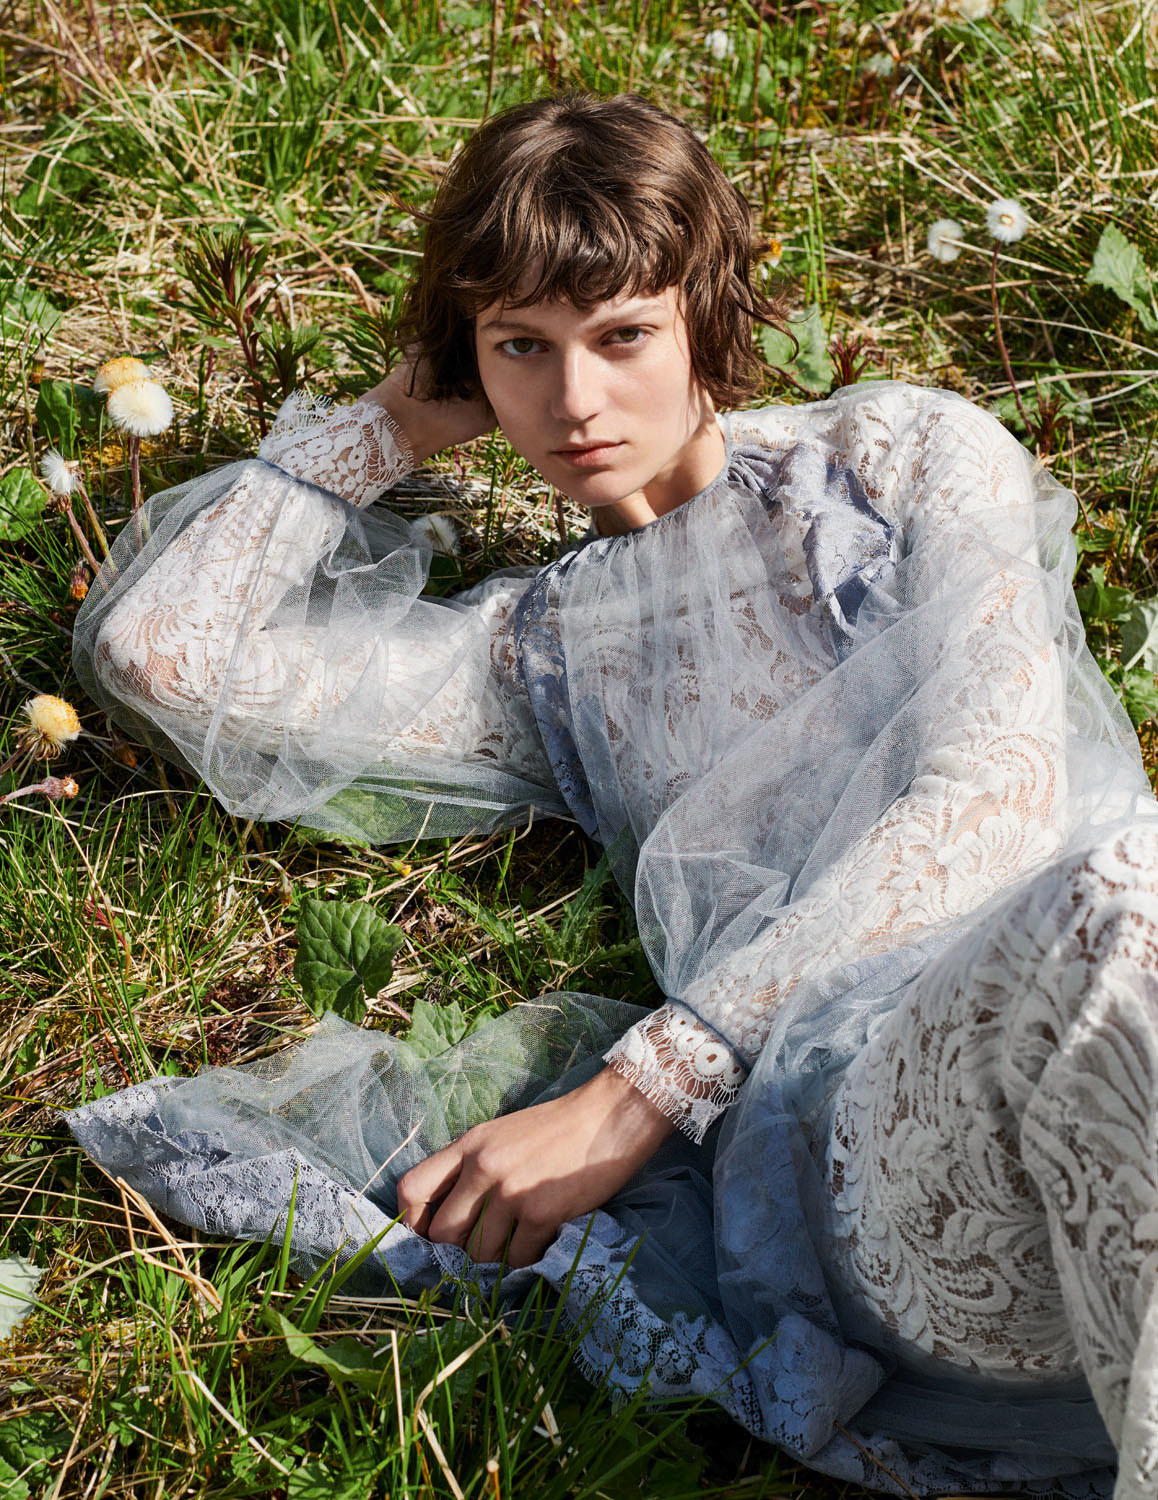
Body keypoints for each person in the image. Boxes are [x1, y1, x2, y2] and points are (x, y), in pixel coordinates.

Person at [67, 93, 1158, 1498]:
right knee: (1126, 898)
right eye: (521, 346)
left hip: (1111, 1037)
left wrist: (644, 1085)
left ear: (706, 315)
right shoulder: (540, 653)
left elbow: (996, 794)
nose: (575, 401)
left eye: (624, 335)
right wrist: (392, 421)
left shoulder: (904, 457)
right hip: (881, 1165)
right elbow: (163, 655)